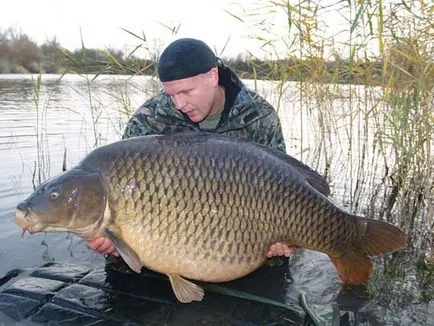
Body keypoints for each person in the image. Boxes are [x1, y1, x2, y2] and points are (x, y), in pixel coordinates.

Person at [88, 38, 294, 260]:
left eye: (186, 92)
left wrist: (286, 240)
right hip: (168, 238)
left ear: (213, 76)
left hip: (243, 238)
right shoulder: (150, 119)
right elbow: (122, 185)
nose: (179, 104)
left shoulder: (259, 116)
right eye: (171, 94)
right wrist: (114, 240)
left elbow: (283, 186)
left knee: (276, 263)